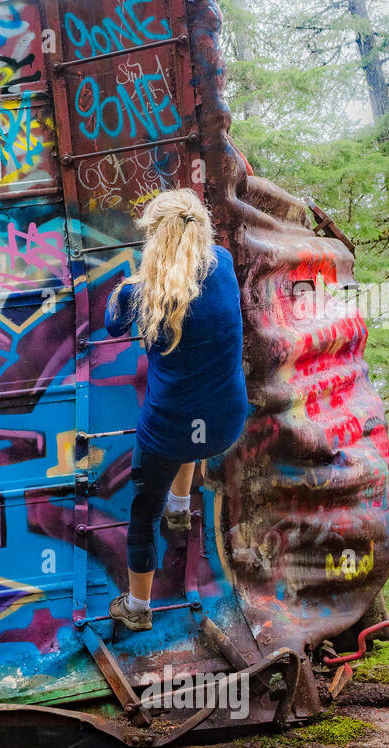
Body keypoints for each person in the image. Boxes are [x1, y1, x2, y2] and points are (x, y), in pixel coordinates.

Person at [104, 189, 249, 633]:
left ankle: (137, 607)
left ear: (154, 239)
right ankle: (182, 505)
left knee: (142, 515)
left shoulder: (142, 293)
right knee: (196, 421)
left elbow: (113, 323)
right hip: (224, 423)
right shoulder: (222, 263)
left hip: (170, 430)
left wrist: (126, 285)